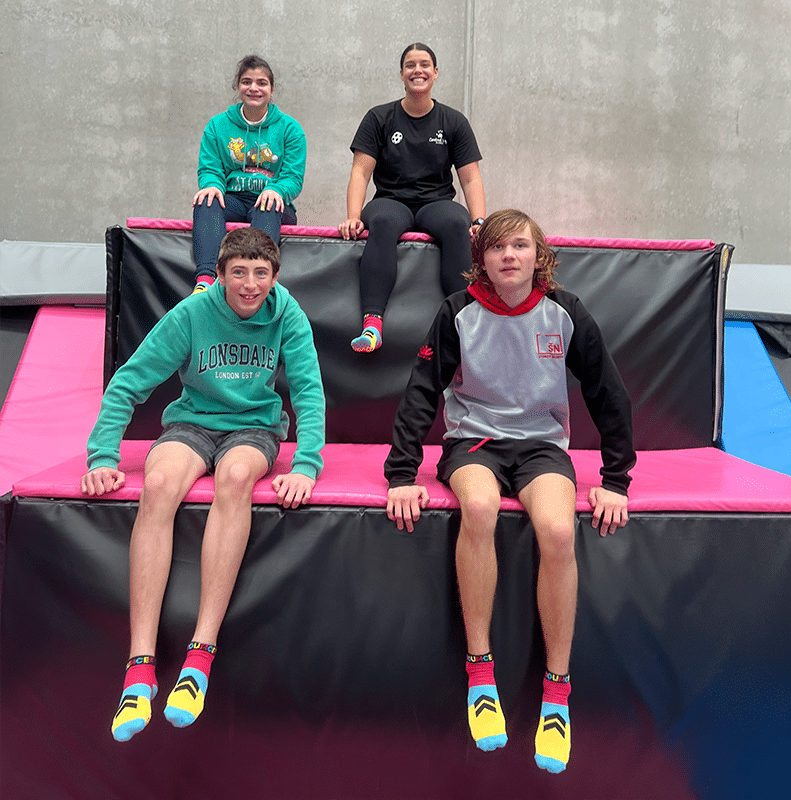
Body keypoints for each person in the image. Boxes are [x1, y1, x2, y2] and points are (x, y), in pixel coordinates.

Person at [384, 209, 635, 773]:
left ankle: (557, 692)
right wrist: (402, 473)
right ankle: (480, 672)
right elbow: (421, 392)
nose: (509, 256)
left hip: (542, 447)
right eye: (497, 248)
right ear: (483, 260)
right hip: (474, 442)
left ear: (537, 254)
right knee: (479, 506)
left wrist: (616, 480)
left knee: (555, 527)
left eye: (519, 245)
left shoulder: (565, 312)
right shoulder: (457, 312)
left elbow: (607, 393)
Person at [81, 227, 325, 742]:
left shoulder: (288, 315)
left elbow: (307, 389)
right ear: (220, 274)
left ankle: (201, 653)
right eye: (239, 272)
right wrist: (102, 455)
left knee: (235, 478)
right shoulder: (192, 313)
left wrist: (306, 464)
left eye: (261, 274)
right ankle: (139, 664)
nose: (250, 284)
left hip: (254, 428)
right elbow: (129, 381)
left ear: (275, 277)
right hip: (192, 422)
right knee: (160, 482)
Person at [338, 43, 486, 353]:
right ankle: (373, 323)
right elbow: (360, 173)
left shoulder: (454, 121)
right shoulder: (379, 117)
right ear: (402, 74)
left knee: (457, 222)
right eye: (410, 65)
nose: (417, 70)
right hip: (391, 199)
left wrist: (479, 220)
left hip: (436, 202)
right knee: (382, 220)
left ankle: (465, 324)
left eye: (424, 64)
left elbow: (470, 177)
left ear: (435, 72)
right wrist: (353, 215)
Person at [191, 55, 306, 293]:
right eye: (247, 81)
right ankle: (206, 280)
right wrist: (211, 184)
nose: (254, 88)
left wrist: (277, 189)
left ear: (271, 89)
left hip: (272, 201)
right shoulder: (218, 125)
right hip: (233, 198)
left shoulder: (290, 129)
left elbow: (293, 177)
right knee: (206, 201)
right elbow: (210, 168)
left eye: (262, 83)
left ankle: (259, 280)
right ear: (238, 86)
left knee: (268, 205)